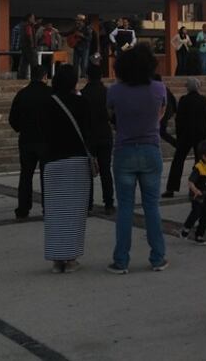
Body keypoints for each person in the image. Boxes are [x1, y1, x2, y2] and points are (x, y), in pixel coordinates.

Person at [106, 43, 169, 274]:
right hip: (151, 149)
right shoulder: (158, 89)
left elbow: (111, 115)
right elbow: (161, 115)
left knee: (125, 208)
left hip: (124, 150)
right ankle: (157, 257)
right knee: (152, 207)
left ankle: (121, 260)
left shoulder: (114, 91)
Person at [39, 64, 94, 274]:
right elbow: (88, 131)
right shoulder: (83, 103)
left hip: (53, 162)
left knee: (55, 213)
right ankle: (70, 258)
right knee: (74, 213)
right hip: (77, 161)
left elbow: (42, 130)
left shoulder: (46, 103)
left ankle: (56, 259)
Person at [8, 66, 50, 220]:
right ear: (45, 76)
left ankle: (23, 208)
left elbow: (12, 119)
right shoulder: (50, 94)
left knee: (26, 175)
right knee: (47, 175)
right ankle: (48, 207)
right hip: (46, 140)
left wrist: (21, 128)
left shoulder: (22, 94)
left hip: (26, 140)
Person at [164, 78, 206, 197]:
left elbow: (179, 119)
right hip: (201, 134)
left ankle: (171, 188)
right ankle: (198, 187)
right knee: (200, 162)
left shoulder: (184, 100)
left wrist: (179, 136)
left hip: (186, 134)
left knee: (178, 161)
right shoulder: (203, 100)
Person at [80, 63, 114, 214]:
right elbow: (112, 115)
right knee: (106, 170)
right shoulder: (107, 92)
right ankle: (108, 203)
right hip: (104, 133)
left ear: (87, 76)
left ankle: (88, 204)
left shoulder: (82, 94)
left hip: (88, 135)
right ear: (101, 76)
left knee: (87, 172)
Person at [64, 14, 94, 79]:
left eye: (78, 20)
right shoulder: (75, 28)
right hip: (76, 47)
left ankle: (83, 76)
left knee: (84, 63)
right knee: (75, 64)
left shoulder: (87, 28)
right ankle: (75, 77)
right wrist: (59, 32)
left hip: (84, 48)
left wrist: (82, 35)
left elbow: (89, 39)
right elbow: (68, 33)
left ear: (82, 21)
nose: (76, 21)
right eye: (76, 20)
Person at [15, 13, 37, 80]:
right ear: (29, 18)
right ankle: (35, 78)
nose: (34, 19)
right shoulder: (28, 26)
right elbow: (29, 36)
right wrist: (32, 46)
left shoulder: (22, 25)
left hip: (24, 47)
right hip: (29, 48)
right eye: (33, 18)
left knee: (24, 64)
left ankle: (21, 78)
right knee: (34, 64)